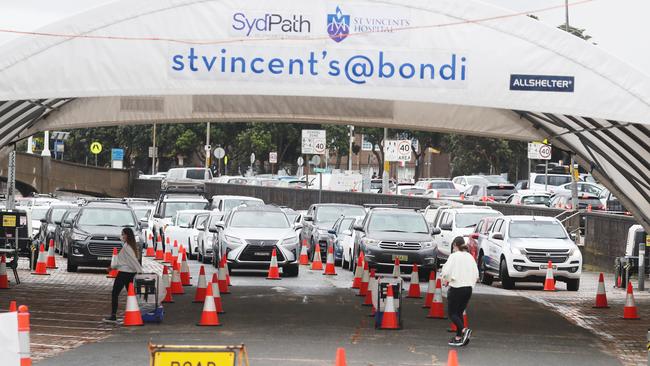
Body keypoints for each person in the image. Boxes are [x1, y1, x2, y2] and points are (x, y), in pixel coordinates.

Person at [441, 236, 479, 347]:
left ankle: (463, 330)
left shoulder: (453, 256)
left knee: (452, 313)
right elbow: (476, 274)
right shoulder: (470, 257)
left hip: (456, 288)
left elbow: (446, 272)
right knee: (459, 313)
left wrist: (446, 279)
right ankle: (458, 337)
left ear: (454, 245)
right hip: (468, 289)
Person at [103, 228, 143, 323]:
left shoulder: (127, 247)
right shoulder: (130, 246)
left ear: (128, 235)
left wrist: (141, 272)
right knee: (131, 294)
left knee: (115, 293)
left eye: (123, 234)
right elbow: (123, 260)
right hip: (130, 274)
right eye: (122, 234)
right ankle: (137, 312)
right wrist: (111, 267)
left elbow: (133, 261)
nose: (122, 236)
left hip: (124, 274)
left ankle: (113, 316)